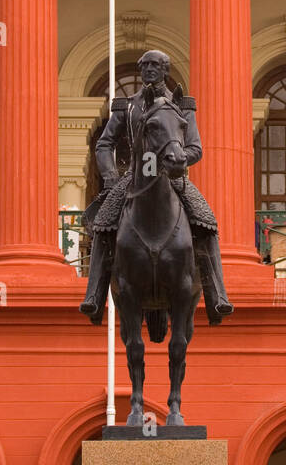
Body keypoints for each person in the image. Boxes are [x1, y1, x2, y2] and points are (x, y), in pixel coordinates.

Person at [79, 49, 234, 325]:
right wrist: (111, 175)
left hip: (173, 177)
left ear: (166, 70)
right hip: (134, 177)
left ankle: (218, 295)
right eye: (145, 65)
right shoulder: (126, 106)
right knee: (103, 224)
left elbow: (195, 147)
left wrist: (180, 159)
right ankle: (94, 295)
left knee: (206, 222)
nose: (150, 69)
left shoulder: (182, 104)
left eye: (156, 65)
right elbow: (105, 144)